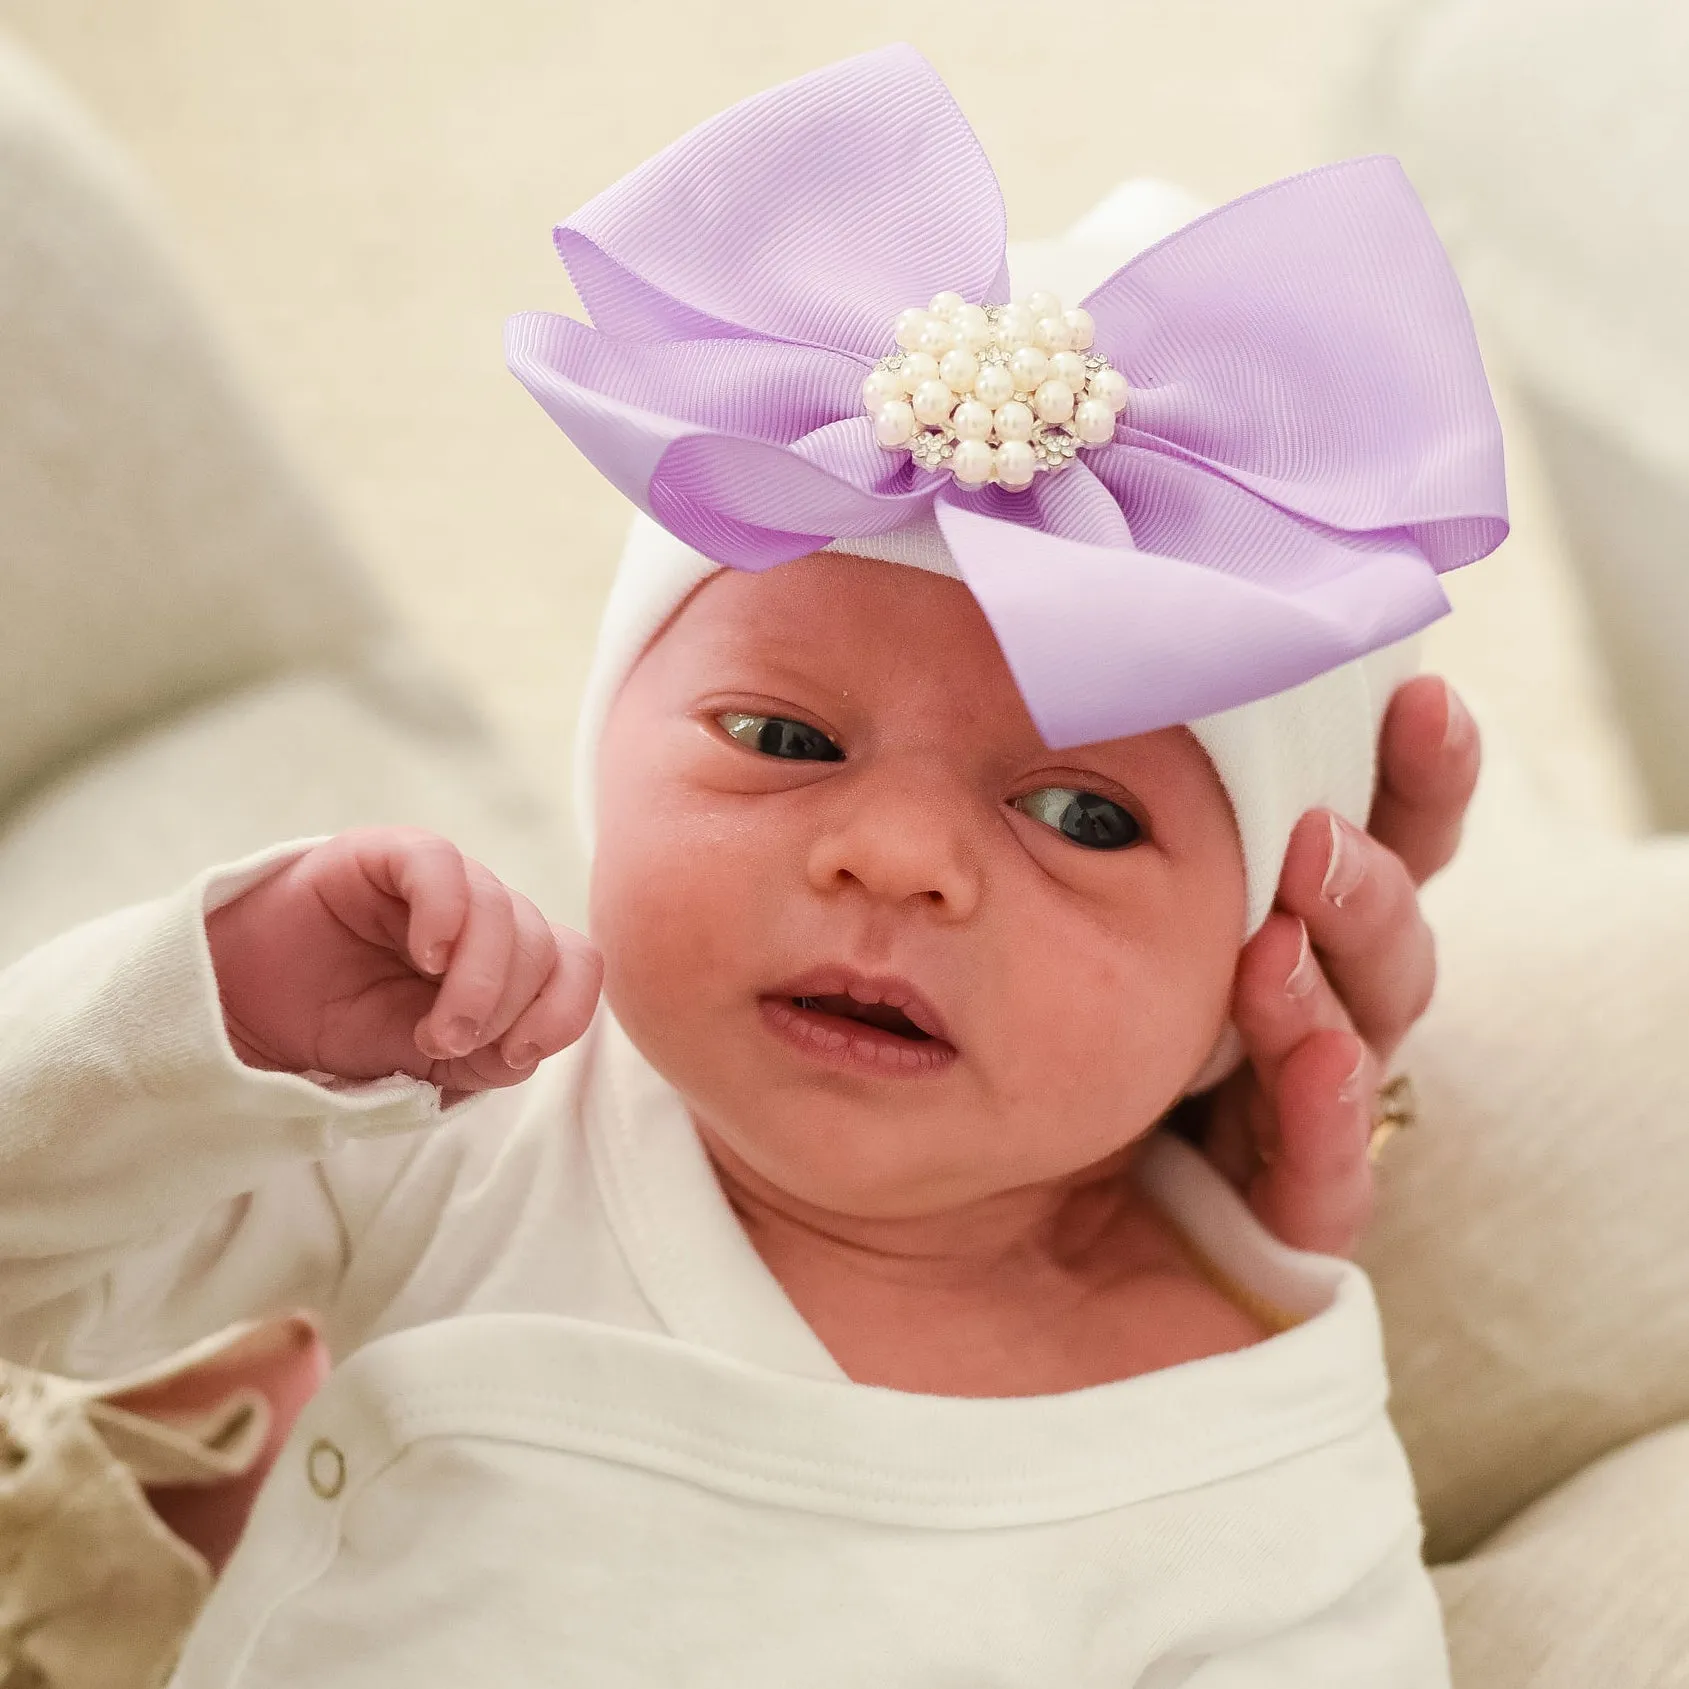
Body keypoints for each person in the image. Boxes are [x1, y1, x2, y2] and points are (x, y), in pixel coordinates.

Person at [0, 45, 1504, 1689]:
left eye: (1082, 815)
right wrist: (218, 1017)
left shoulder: (1251, 1468)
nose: (891, 856)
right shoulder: (475, 1127)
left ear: (1267, 959)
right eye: (785, 740)